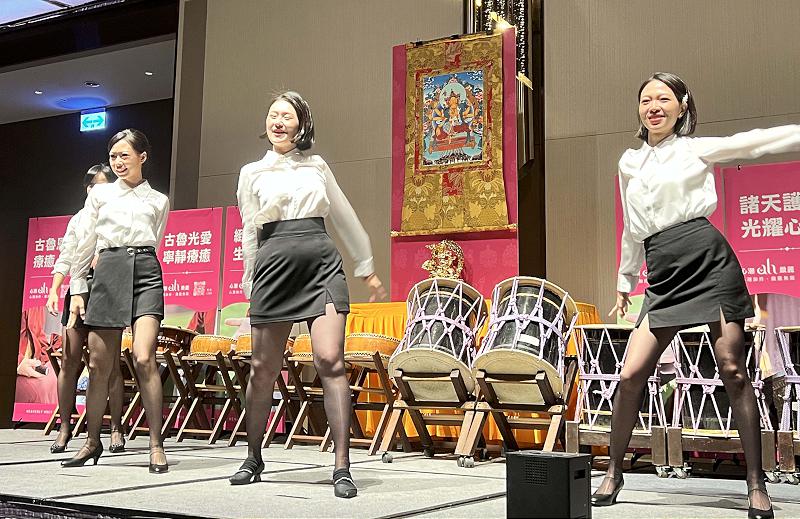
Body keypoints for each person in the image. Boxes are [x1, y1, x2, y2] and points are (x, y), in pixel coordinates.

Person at [599, 71, 800, 518]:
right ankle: (613, 472)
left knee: (733, 370)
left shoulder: (695, 149)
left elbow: (754, 142)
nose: (654, 107)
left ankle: (756, 484)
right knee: (631, 375)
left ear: (682, 106)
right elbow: (632, 227)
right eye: (646, 100)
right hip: (662, 271)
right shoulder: (630, 162)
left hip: (710, 263)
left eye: (664, 99)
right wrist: (625, 280)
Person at [230, 91, 386, 498]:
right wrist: (249, 283)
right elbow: (249, 230)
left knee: (330, 360)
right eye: (273, 115)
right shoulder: (251, 172)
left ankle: (342, 466)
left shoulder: (317, 165)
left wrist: (366, 267)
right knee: (263, 368)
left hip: (321, 264)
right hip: (272, 268)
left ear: (301, 124)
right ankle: (253, 456)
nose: (278, 122)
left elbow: (344, 216)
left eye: (287, 116)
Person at [63, 129, 170, 473]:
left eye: (125, 155)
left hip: (146, 271)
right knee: (98, 365)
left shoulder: (159, 200)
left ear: (142, 156)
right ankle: (92, 441)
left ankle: (156, 444)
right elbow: (85, 243)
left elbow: (157, 239)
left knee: (144, 357)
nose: (118, 162)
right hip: (108, 269)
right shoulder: (100, 194)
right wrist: (78, 288)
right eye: (113, 156)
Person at [45, 164, 126, 454]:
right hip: (78, 291)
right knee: (69, 361)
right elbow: (66, 255)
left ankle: (115, 428)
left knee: (109, 364)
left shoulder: (120, 215)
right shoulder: (78, 219)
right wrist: (54, 289)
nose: (97, 191)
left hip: (109, 290)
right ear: (86, 188)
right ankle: (65, 427)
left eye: (104, 185)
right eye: (93, 186)